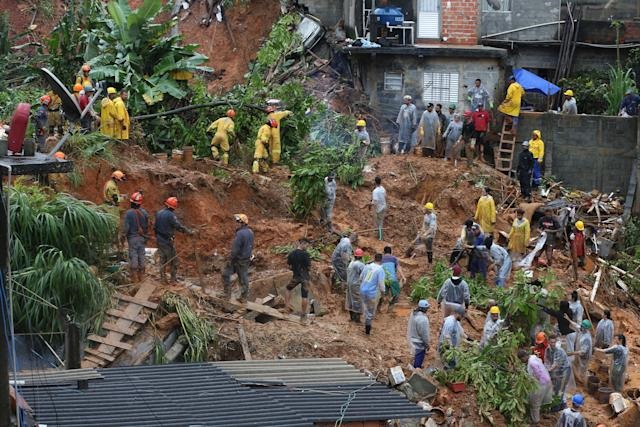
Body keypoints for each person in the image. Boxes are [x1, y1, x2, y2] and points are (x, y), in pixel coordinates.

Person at [154, 197, 194, 284]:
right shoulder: (171, 215)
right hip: (167, 241)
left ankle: (163, 279)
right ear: (173, 207)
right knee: (174, 261)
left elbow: (155, 227)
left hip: (159, 240)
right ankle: (173, 279)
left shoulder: (159, 213)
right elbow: (178, 226)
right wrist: (189, 232)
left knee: (162, 259)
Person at [222, 213, 254, 301]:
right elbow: (251, 245)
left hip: (238, 259)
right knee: (243, 277)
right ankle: (243, 297)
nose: (236, 224)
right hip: (246, 259)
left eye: (237, 222)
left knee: (226, 274)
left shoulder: (240, 234)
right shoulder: (250, 232)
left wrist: (230, 259)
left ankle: (227, 294)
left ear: (241, 223)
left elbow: (235, 249)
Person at [518, 349, 552, 425]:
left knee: (534, 404)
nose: (521, 361)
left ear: (523, 357)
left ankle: (535, 421)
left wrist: (529, 380)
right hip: (546, 382)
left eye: (521, 360)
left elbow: (538, 374)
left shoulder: (532, 363)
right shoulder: (533, 357)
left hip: (540, 384)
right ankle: (543, 414)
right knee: (540, 401)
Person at [120, 191, 148, 283]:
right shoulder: (144, 213)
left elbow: (126, 228)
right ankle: (142, 277)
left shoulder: (128, 213)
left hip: (132, 238)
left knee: (134, 256)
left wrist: (122, 238)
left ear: (131, 202)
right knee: (142, 255)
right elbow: (146, 226)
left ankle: (135, 279)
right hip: (142, 238)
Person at [359, 253, 386, 335]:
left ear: (374, 258)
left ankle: (364, 321)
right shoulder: (380, 269)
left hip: (362, 290)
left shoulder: (367, 266)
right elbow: (381, 285)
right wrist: (383, 293)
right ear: (381, 260)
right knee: (370, 311)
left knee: (365, 307)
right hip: (371, 292)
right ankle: (367, 330)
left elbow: (360, 278)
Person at [285, 239, 312, 320]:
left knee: (288, 288)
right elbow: (309, 267)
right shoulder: (306, 254)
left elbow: (289, 266)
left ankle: (286, 307)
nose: (307, 247)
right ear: (303, 244)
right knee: (305, 296)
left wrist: (295, 269)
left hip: (296, 277)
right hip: (305, 278)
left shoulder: (292, 254)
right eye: (307, 245)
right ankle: (303, 314)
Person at [565, 318, 593, 385]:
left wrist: (571, 353)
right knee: (575, 365)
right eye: (581, 326)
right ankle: (577, 379)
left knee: (582, 370)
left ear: (586, 329)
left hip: (584, 358)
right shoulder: (581, 331)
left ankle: (583, 383)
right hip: (578, 354)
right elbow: (576, 325)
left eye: (583, 327)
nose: (581, 327)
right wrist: (568, 319)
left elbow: (583, 352)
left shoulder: (586, 338)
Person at [544, 334, 572, 398]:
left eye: (554, 342)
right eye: (551, 342)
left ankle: (560, 401)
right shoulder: (547, 350)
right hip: (557, 369)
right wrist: (546, 368)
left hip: (565, 369)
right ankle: (555, 397)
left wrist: (548, 370)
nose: (553, 344)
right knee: (555, 385)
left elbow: (555, 364)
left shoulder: (558, 350)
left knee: (561, 388)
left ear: (556, 342)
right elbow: (546, 361)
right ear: (548, 342)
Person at [408, 299, 430, 368]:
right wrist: (427, 344)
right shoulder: (423, 319)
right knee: (418, 358)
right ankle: (416, 370)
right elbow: (424, 334)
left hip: (412, 338)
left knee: (415, 356)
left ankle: (413, 367)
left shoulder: (414, 314)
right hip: (419, 342)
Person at [346, 248, 365, 322]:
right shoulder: (361, 265)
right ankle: (357, 319)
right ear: (361, 256)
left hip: (349, 283)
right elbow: (363, 276)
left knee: (350, 300)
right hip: (356, 285)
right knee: (357, 300)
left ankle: (351, 318)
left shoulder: (351, 263)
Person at [371, 176, 386, 241]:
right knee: (380, 222)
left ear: (375, 182)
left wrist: (370, 204)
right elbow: (385, 196)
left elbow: (375, 201)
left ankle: (380, 238)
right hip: (384, 206)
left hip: (379, 208)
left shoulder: (375, 191)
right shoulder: (383, 188)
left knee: (380, 223)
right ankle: (379, 235)